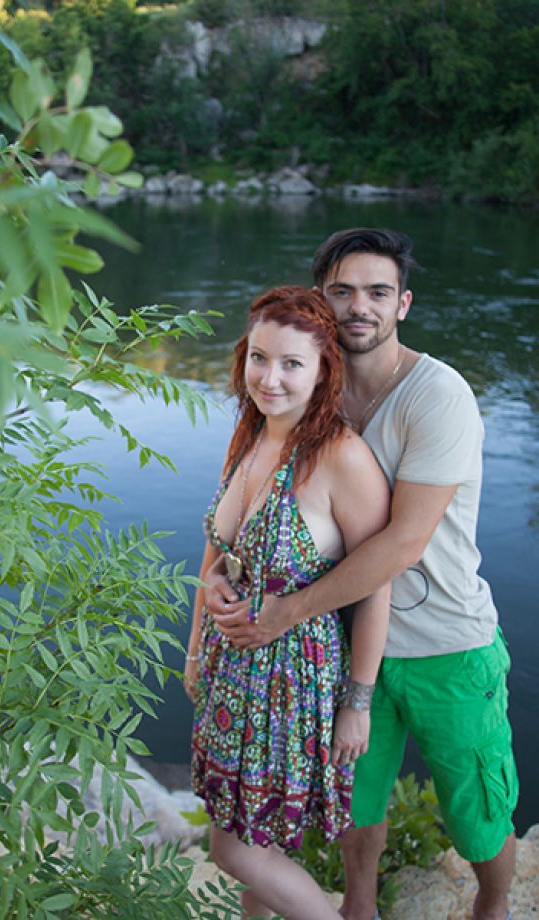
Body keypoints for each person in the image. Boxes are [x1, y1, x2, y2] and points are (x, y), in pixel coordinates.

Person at [206, 229, 518, 920]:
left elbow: (401, 543)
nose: (359, 307)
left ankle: (494, 906)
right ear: (321, 299)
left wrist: (283, 613)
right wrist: (220, 582)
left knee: (476, 809)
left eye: (377, 292)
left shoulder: (439, 397)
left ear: (402, 303)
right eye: (342, 290)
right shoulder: (311, 389)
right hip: (348, 648)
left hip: (445, 642)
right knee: (358, 806)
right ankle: (358, 908)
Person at [185, 285, 391, 920]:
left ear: (325, 368)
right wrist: (196, 643)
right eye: (258, 358)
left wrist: (358, 703)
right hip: (230, 670)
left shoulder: (339, 457)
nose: (269, 378)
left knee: (234, 851)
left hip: (290, 681)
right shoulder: (249, 432)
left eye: (291, 364)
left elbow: (375, 582)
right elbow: (220, 548)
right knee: (253, 833)